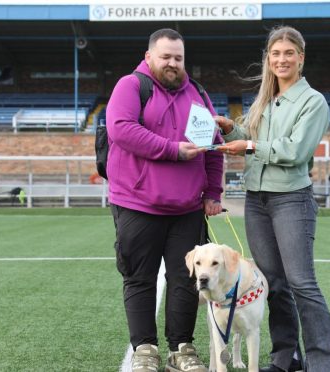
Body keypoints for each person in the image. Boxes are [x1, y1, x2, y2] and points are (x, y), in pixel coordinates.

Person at [214, 26, 330, 372]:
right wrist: (229, 129)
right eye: (275, 54)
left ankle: (323, 363)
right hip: (257, 201)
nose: (281, 59)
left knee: (302, 283)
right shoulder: (265, 99)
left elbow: (295, 152)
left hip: (291, 201)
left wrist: (249, 145)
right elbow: (248, 138)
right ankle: (286, 357)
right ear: (268, 59)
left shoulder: (313, 102)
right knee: (275, 285)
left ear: (301, 57)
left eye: (288, 53)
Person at [105, 28, 224, 372]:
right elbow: (121, 128)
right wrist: (172, 150)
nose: (172, 63)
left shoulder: (198, 94)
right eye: (166, 57)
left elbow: (212, 146)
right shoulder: (131, 85)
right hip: (136, 203)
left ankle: (182, 349)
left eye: (178, 58)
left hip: (187, 208)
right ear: (149, 58)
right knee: (139, 278)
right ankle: (144, 349)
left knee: (187, 279)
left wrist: (213, 192)